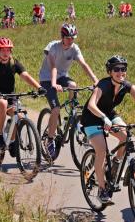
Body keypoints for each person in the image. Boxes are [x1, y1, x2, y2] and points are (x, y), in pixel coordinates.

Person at [81, 55, 135, 205]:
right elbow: (91, 105)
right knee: (101, 151)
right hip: (92, 118)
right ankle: (102, 189)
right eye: (116, 69)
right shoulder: (103, 85)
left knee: (126, 137)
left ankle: (116, 164)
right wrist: (103, 118)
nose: (120, 72)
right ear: (110, 72)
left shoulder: (126, 86)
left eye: (123, 69)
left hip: (109, 115)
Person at [38, 23, 99, 159]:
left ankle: (71, 113)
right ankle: (50, 139)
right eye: (68, 38)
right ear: (62, 37)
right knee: (55, 109)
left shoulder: (74, 48)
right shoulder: (53, 47)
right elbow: (53, 66)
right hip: (47, 78)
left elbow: (84, 64)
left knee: (73, 85)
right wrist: (54, 84)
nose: (71, 40)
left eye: (73, 38)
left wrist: (96, 80)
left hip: (61, 77)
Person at [0, 37, 44, 151]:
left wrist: (39, 87)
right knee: (2, 103)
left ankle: (11, 140)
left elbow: (25, 76)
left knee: (18, 115)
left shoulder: (14, 63)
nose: (6, 53)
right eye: (3, 50)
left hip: (10, 94)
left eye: (8, 50)